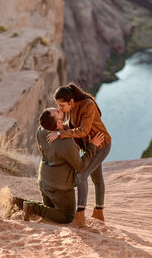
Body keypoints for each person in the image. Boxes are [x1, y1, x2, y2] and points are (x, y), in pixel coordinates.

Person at [22, 107, 104, 224]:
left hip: (43, 182)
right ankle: (33, 208)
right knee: (67, 216)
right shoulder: (67, 144)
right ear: (59, 123)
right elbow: (81, 166)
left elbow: (59, 129)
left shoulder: (42, 130)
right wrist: (92, 146)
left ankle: (19, 203)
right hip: (59, 188)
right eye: (58, 112)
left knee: (51, 210)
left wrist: (62, 131)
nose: (59, 108)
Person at [47, 83, 111, 227]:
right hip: (90, 146)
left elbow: (83, 131)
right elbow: (71, 124)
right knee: (97, 178)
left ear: (71, 101)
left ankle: (80, 215)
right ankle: (99, 214)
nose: (60, 109)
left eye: (61, 106)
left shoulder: (88, 105)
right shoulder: (71, 107)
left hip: (100, 145)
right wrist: (56, 127)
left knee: (81, 175)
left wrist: (60, 133)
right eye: (58, 106)